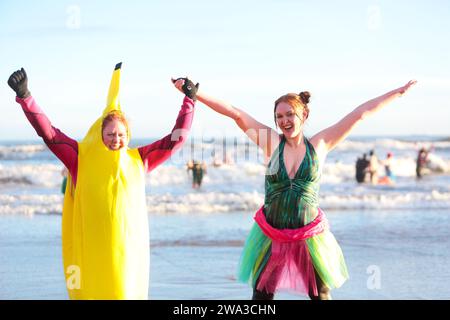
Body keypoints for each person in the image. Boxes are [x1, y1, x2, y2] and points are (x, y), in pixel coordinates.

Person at [173, 77, 417, 300]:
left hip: (308, 236)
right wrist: (196, 94)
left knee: (320, 294)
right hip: (271, 234)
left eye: (290, 115)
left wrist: (397, 93)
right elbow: (236, 114)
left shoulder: (319, 145)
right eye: (279, 117)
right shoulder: (271, 142)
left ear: (304, 115)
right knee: (261, 296)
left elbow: (359, 115)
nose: (284, 121)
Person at [7, 65, 196, 299]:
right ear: (100, 134)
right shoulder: (80, 158)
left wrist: (189, 101)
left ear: (128, 136)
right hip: (92, 253)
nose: (116, 139)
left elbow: (175, 141)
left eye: (121, 135)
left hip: (127, 255)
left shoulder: (138, 159)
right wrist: (25, 97)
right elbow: (50, 134)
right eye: (110, 134)